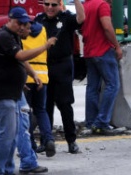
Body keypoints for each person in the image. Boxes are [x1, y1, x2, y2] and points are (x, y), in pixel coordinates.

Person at [0, 7, 57, 175]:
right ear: (10, 20)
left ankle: (7, 170)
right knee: (5, 133)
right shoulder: (3, 36)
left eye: (24, 23)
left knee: (13, 133)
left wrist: (32, 74)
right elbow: (21, 55)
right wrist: (44, 46)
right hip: (3, 93)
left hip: (13, 92)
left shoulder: (13, 36)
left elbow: (20, 60)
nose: (23, 27)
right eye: (19, 23)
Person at [34, 0, 84, 153]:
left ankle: (71, 141)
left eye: (54, 5)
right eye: (47, 4)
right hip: (44, 66)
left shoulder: (66, 18)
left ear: (60, 5)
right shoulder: (38, 20)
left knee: (65, 104)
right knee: (45, 106)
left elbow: (81, 18)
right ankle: (46, 141)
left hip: (62, 65)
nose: (50, 8)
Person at [82, 0, 123, 135]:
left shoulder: (86, 5)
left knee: (92, 87)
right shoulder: (102, 5)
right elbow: (107, 27)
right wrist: (117, 46)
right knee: (113, 85)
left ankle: (91, 122)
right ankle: (101, 122)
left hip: (89, 51)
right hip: (103, 50)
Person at [21, 21, 55, 158]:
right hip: (42, 76)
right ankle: (49, 139)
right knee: (41, 110)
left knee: (26, 112)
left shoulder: (20, 33)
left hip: (27, 77)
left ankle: (30, 145)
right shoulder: (43, 30)